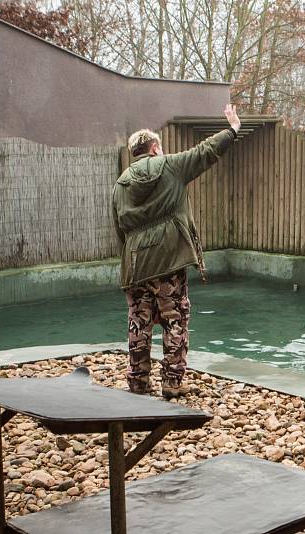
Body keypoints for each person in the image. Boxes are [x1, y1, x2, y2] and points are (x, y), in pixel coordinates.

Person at [112, 104, 241, 398]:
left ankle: (138, 383)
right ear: (155, 147)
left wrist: (133, 258)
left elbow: (119, 229)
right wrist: (233, 129)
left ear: (135, 152)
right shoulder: (169, 165)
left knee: (139, 322)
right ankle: (171, 382)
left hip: (135, 265)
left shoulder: (120, 185)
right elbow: (205, 152)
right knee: (175, 319)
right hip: (169, 260)